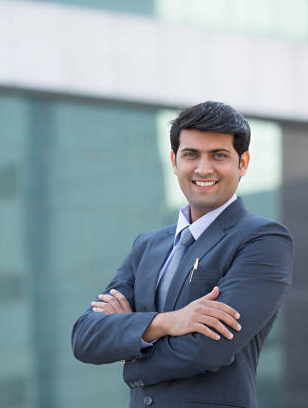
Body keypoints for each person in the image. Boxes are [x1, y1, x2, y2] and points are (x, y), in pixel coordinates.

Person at [71, 101, 293, 408]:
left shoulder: (262, 239)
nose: (203, 168)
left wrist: (130, 350)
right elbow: (85, 337)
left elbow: (206, 350)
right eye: (191, 155)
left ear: (243, 163)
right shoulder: (147, 246)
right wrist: (166, 322)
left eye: (219, 155)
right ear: (174, 161)